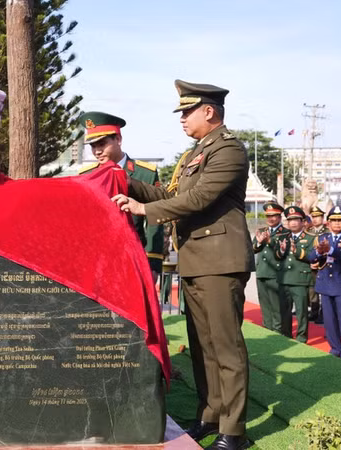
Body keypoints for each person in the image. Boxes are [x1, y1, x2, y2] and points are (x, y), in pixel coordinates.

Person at [113, 81, 254, 450]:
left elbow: (200, 197)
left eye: (187, 111)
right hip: (195, 260)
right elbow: (172, 195)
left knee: (226, 347)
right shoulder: (195, 153)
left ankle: (233, 431)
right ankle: (210, 416)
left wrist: (145, 209)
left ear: (209, 111)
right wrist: (125, 182)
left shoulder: (229, 150)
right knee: (202, 346)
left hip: (221, 261)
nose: (182, 119)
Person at [78, 111, 164, 281]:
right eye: (93, 146)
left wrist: (153, 261)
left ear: (118, 139)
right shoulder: (87, 176)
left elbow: (155, 220)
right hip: (98, 262)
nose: (97, 151)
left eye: (102, 144)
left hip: (134, 259)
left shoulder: (145, 173)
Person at [310, 206, 341, 360]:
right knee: (330, 320)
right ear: (328, 223)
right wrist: (319, 252)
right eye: (334, 220)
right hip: (326, 284)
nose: (337, 223)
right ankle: (335, 348)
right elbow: (311, 256)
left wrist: (331, 250)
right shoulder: (321, 237)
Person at [273, 206, 315, 343]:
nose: (293, 223)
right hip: (284, 279)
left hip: (300, 279)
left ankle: (301, 337)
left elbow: (313, 256)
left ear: (303, 221)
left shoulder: (310, 238)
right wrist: (281, 251)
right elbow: (277, 257)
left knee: (301, 311)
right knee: (284, 310)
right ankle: (286, 335)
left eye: (296, 219)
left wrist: (296, 251)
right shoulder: (282, 237)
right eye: (290, 220)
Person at [253, 202, 288, 334]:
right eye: (268, 216)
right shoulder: (262, 231)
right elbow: (253, 249)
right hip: (261, 272)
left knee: (276, 307)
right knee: (265, 306)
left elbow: (284, 252)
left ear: (279, 217)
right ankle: (267, 330)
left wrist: (270, 241)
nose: (270, 219)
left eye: (274, 216)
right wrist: (259, 242)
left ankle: (278, 333)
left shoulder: (285, 233)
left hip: (276, 274)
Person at [308, 205, 326, 323]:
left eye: (318, 216)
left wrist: (318, 262)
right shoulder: (308, 232)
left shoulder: (327, 232)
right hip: (311, 265)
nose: (315, 219)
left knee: (324, 291)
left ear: (322, 217)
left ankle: (323, 314)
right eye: (313, 216)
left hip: (324, 265)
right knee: (312, 290)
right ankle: (314, 312)